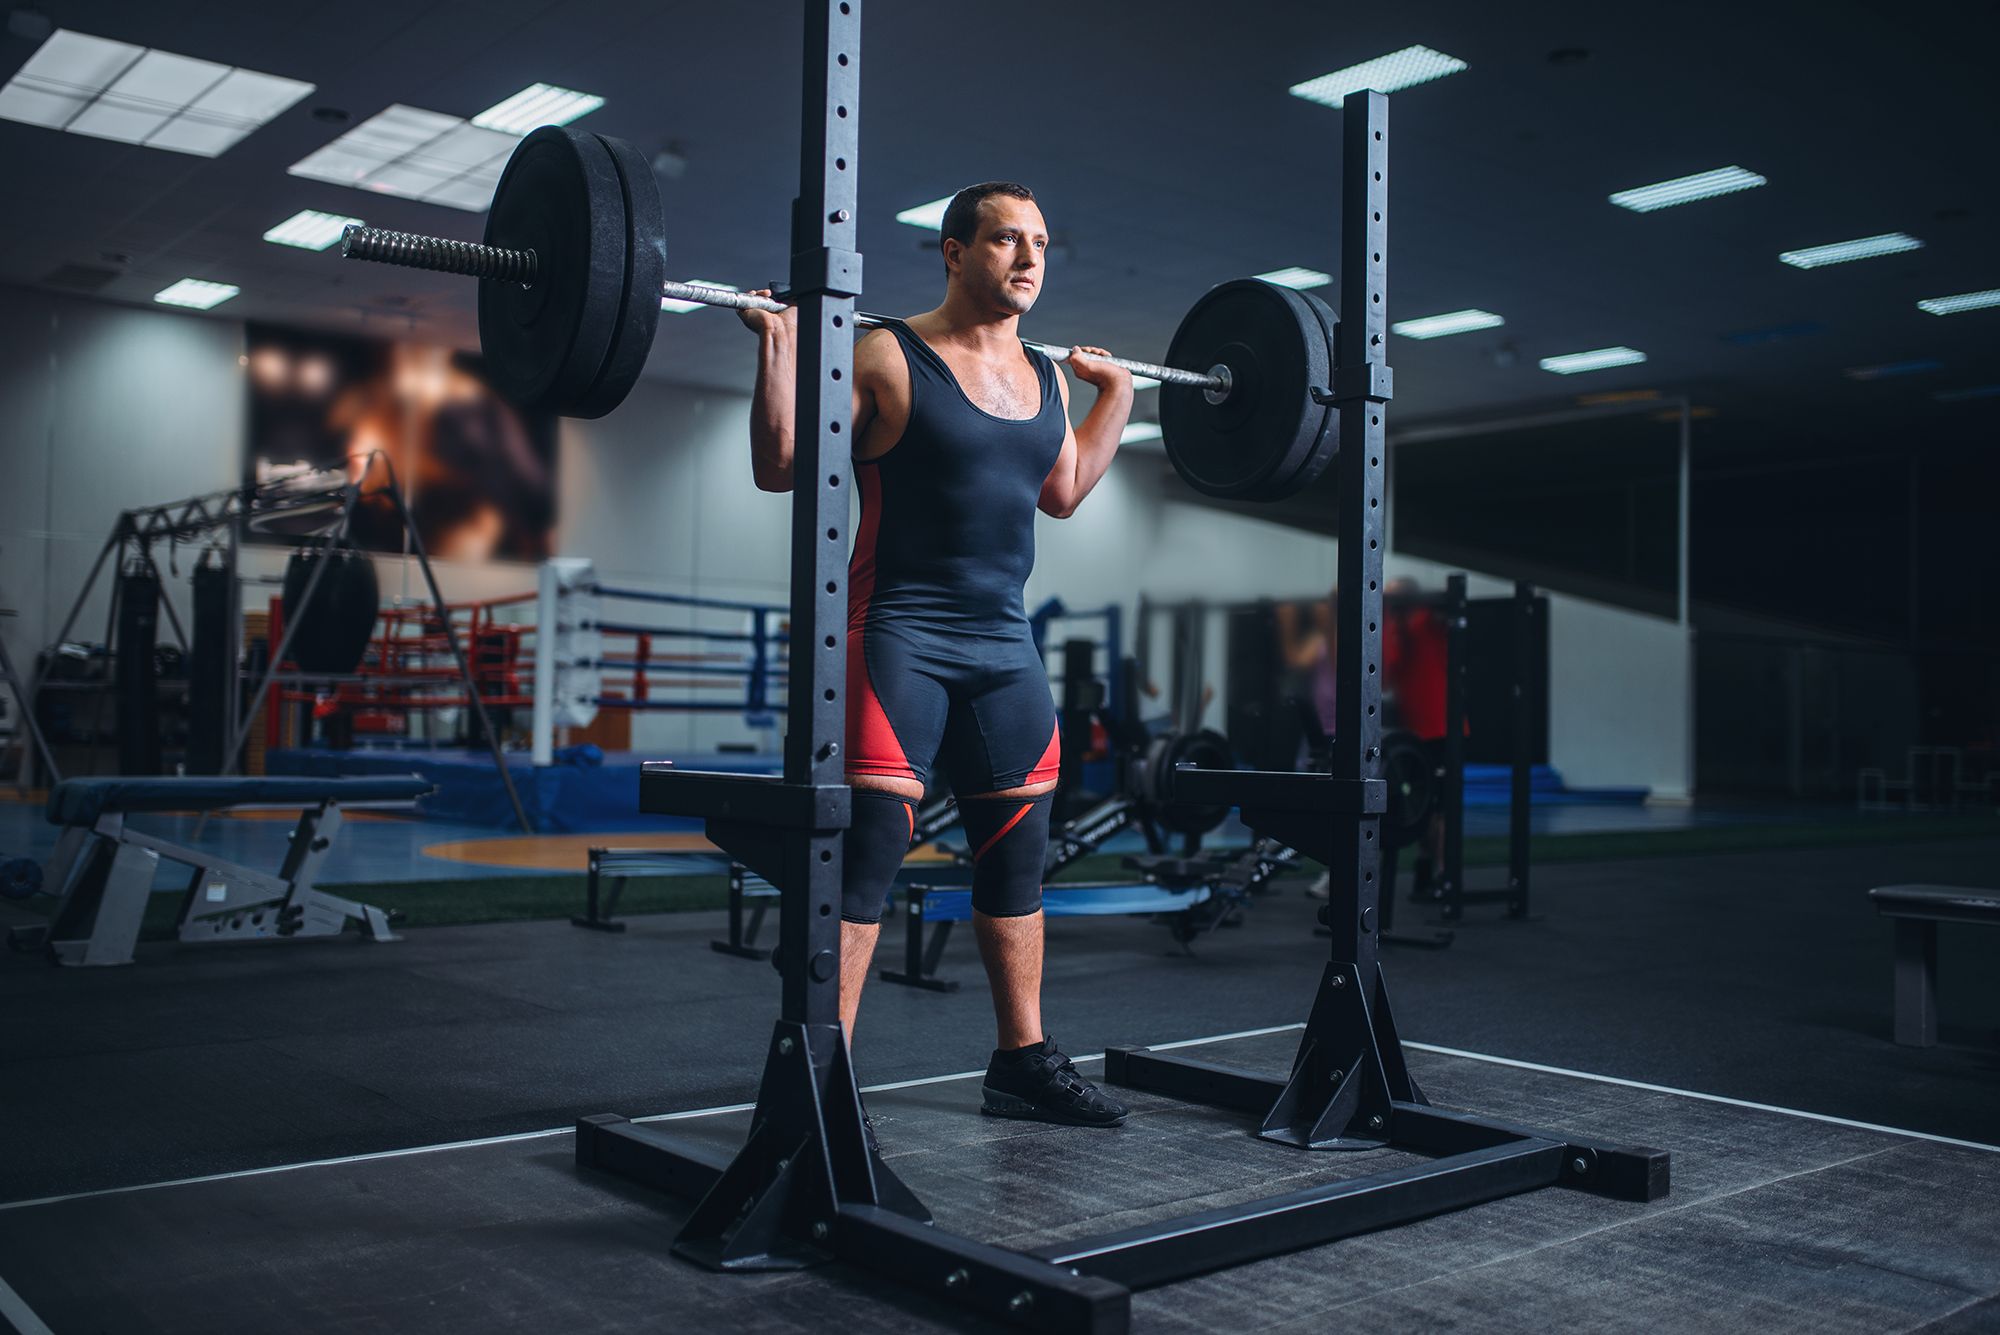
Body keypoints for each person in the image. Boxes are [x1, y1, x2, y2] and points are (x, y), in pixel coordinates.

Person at [737, 182, 1132, 1128]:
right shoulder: (886, 353)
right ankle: (817, 1078)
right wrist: (784, 350)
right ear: (955, 253)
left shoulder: (1044, 374)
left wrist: (1113, 396)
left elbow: (1065, 489)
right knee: (867, 853)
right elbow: (781, 465)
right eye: (1006, 240)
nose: (1029, 258)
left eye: (1040, 242)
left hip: (1004, 645)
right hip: (897, 634)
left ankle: (1022, 1062)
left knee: (1017, 857)